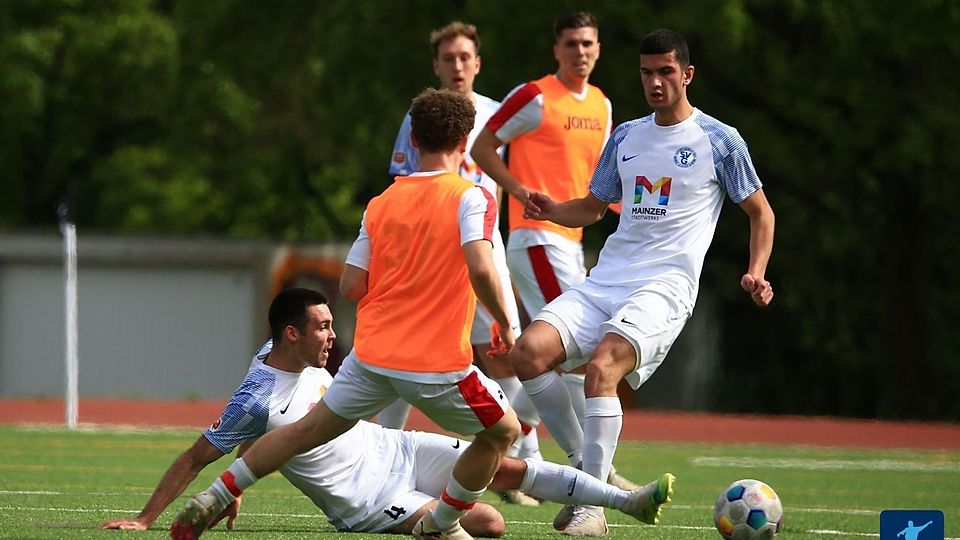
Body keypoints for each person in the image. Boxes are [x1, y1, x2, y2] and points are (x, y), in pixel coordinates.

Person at [172, 89, 522, 540]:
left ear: (412, 139)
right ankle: (439, 525)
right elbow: (480, 265)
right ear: (465, 140)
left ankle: (211, 498)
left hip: (371, 357)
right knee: (502, 432)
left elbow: (352, 285)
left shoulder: (381, 203)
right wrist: (506, 323)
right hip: (436, 363)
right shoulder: (472, 198)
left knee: (306, 431)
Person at [101, 288, 675, 536]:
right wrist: (148, 519)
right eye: (323, 327)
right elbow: (201, 452)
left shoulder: (284, 357)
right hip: (367, 500)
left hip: (394, 448)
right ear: (291, 333)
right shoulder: (255, 395)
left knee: (502, 467)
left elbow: (262, 438)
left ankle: (628, 502)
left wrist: (245, 473)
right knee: (491, 522)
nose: (333, 336)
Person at [509, 28, 775, 536]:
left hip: (665, 287)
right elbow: (591, 207)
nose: (655, 82)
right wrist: (553, 209)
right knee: (527, 353)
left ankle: (589, 508)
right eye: (647, 73)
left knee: (601, 367)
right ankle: (589, 471)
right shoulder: (627, 136)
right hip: (608, 277)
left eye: (665, 72)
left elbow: (761, 214)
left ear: (686, 74)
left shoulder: (720, 139)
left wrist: (756, 272)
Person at [470, 11, 637, 493]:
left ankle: (510, 447)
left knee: (551, 356)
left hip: (573, 242)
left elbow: (603, 179)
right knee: (575, 352)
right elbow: (482, 146)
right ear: (556, 50)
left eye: (587, 44)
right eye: (570, 44)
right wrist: (519, 191)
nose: (579, 52)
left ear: (599, 49)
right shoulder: (534, 95)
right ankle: (592, 469)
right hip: (536, 239)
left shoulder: (603, 106)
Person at [381, 24, 544, 503]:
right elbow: (400, 186)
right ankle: (387, 460)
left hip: (485, 252)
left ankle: (519, 467)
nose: (456, 65)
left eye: (464, 57)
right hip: (433, 259)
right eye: (448, 58)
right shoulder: (420, 119)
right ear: (436, 65)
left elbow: (515, 175)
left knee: (513, 360)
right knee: (399, 355)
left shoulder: (498, 116)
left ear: (478, 63)